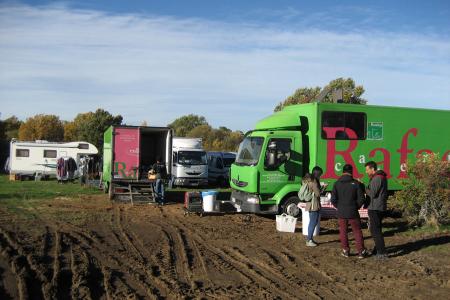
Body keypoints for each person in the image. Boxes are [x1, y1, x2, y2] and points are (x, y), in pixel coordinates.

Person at [331, 164, 369, 258]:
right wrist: (355, 207)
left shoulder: (337, 183)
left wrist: (339, 206)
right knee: (357, 231)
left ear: (342, 172)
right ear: (351, 172)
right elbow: (361, 199)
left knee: (343, 231)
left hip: (341, 212)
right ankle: (361, 251)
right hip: (353, 211)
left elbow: (333, 199)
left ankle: (345, 251)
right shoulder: (356, 183)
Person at [365, 161, 388, 260]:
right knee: (376, 230)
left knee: (375, 231)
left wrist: (363, 188)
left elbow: (372, 193)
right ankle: (378, 249)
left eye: (367, 169)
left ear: (372, 169)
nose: (366, 172)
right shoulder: (380, 177)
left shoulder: (377, 178)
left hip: (375, 207)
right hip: (377, 207)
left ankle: (382, 252)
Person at [304, 166, 323, 247]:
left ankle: (310, 238)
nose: (320, 176)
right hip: (314, 204)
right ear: (317, 174)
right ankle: (309, 240)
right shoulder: (314, 181)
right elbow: (317, 194)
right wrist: (322, 188)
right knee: (313, 222)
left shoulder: (308, 180)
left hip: (310, 204)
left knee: (312, 222)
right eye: (320, 174)